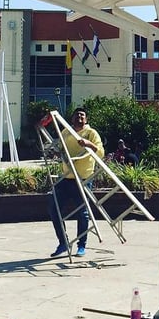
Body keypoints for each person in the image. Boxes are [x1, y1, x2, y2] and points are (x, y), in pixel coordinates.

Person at [48, 107, 104, 258]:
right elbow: (60, 149)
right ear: (72, 119)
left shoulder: (91, 133)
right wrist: (54, 152)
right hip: (66, 178)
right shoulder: (66, 132)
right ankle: (63, 243)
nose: (79, 117)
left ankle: (81, 245)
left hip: (83, 178)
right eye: (76, 115)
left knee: (82, 213)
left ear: (86, 119)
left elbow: (100, 152)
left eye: (82, 115)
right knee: (54, 209)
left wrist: (88, 144)